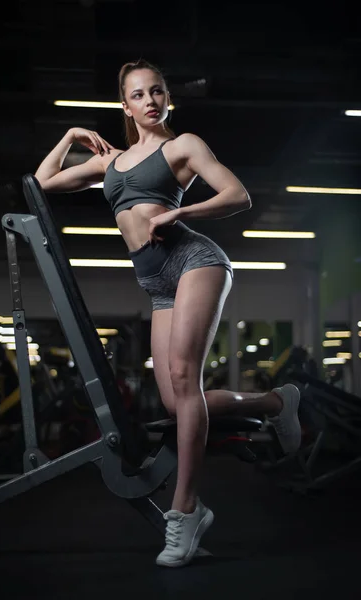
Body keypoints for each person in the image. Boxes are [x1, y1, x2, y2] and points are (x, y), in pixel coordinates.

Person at [34, 58, 301, 568]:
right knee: (179, 403)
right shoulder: (108, 163)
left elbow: (237, 195)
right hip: (155, 280)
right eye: (138, 95)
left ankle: (185, 511)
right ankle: (274, 403)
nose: (150, 100)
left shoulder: (184, 146)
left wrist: (182, 211)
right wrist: (71, 133)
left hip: (194, 260)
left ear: (167, 97)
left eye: (157, 91)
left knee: (183, 377)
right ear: (126, 105)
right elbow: (41, 182)